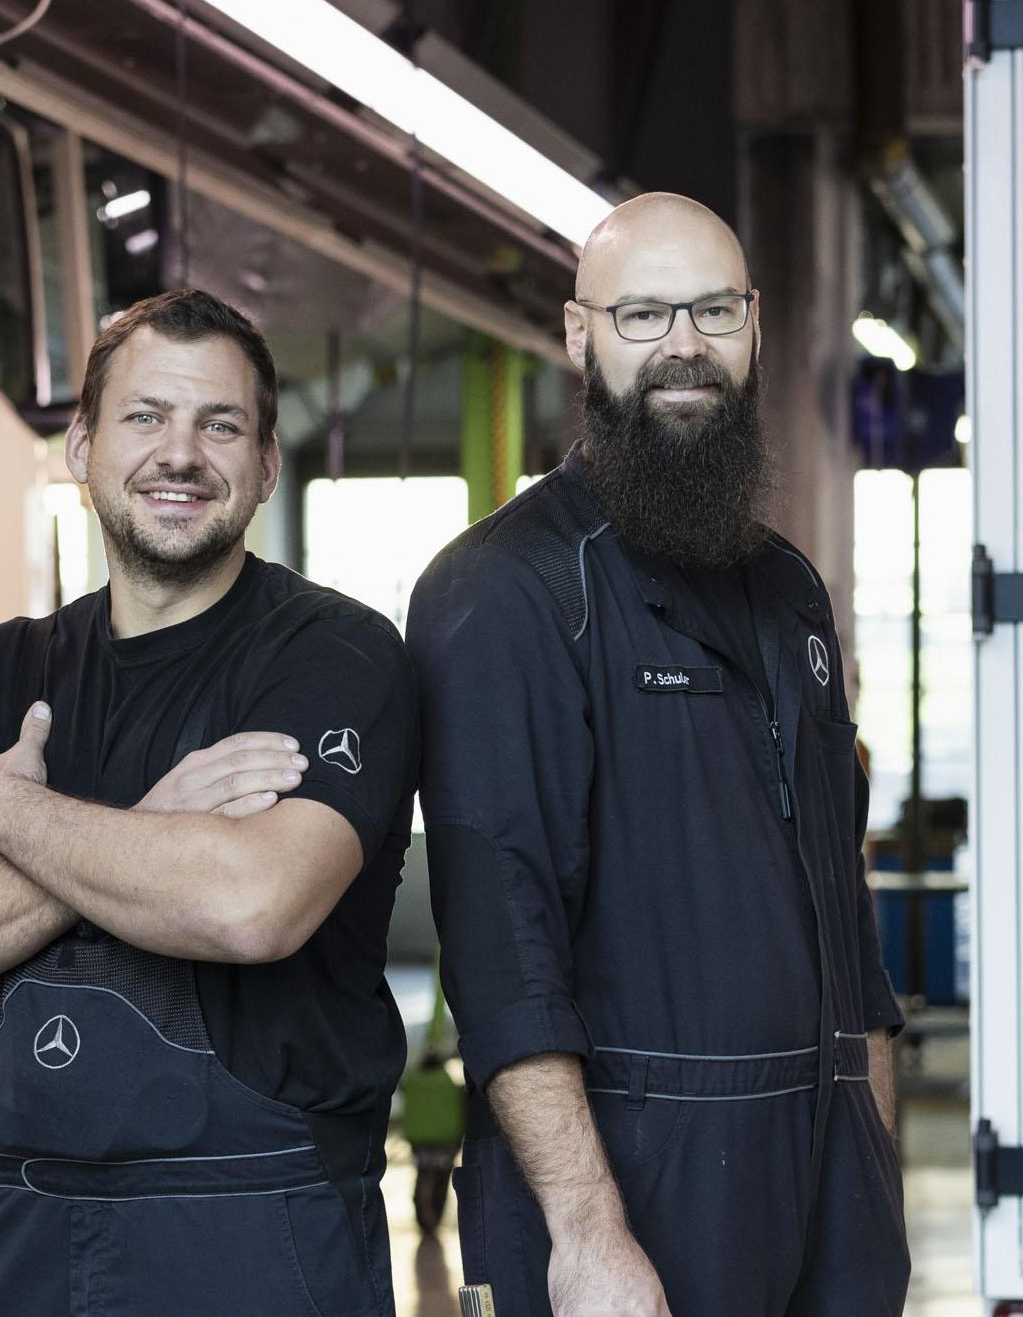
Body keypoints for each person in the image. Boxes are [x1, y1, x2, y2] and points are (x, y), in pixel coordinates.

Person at [0, 289, 418, 1317]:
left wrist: (2, 818)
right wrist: (160, 830)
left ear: (266, 467)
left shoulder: (332, 655)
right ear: (81, 446)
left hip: (253, 1227)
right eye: (146, 416)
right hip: (15, 1225)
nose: (180, 453)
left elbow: (249, 905)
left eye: (220, 424)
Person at [406, 194, 909, 1317]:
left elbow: (847, 916)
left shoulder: (788, 590)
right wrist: (586, 1234)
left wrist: (871, 1178)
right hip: (630, 1192)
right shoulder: (504, 591)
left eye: (713, 309)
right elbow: (503, 954)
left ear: (754, 326)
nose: (683, 345)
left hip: (824, 1195)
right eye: (642, 314)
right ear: (580, 335)